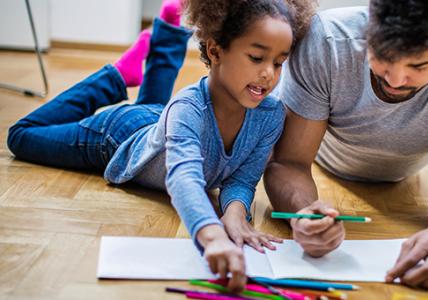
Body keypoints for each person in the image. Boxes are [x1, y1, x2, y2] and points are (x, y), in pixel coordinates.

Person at [7, 0, 315, 292]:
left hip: (161, 122)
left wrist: (234, 212)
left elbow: (243, 179)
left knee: (157, 107)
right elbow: (183, 177)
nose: (269, 74)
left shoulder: (271, 115)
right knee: (21, 135)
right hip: (117, 136)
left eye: (279, 62)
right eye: (257, 58)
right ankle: (115, 77)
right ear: (215, 51)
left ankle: (166, 36)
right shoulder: (188, 108)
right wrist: (210, 235)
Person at [264, 0, 428, 289]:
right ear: (369, 22)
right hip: (325, 157)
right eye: (382, 55)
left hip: (407, 170)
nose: (394, 80)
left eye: (419, 65)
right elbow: (288, 163)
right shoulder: (327, 38)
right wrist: (303, 213)